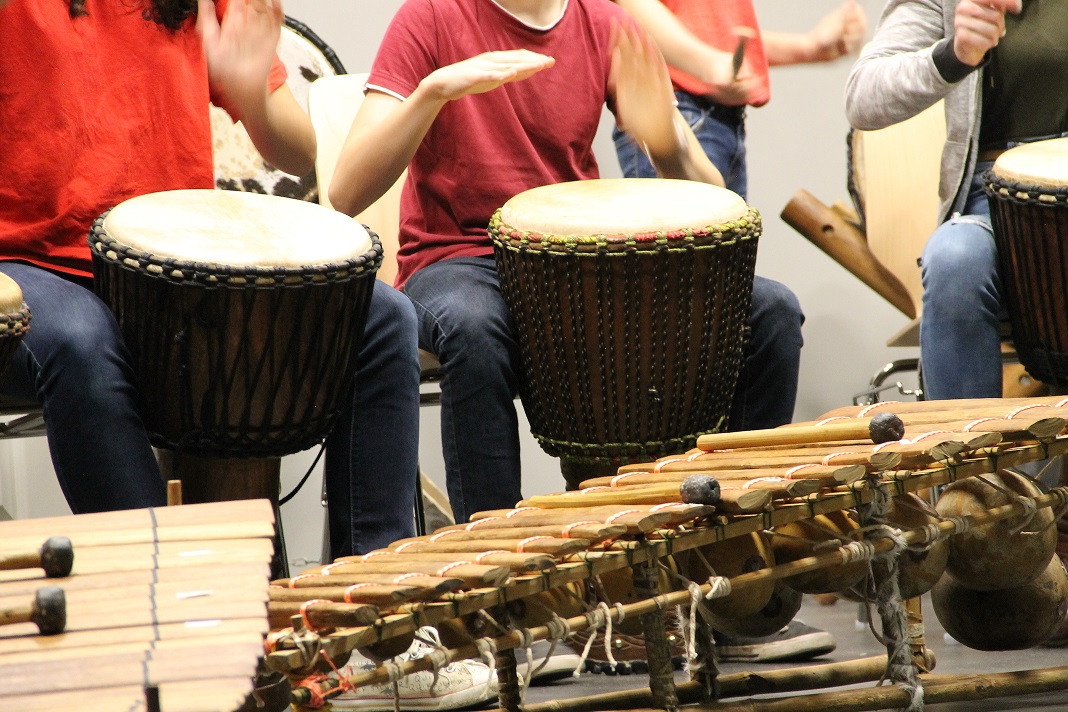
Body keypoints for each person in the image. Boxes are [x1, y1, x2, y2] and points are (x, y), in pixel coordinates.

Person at [0, 0, 418, 557]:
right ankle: (167, 581)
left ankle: (370, 583)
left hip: (175, 268)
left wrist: (250, 94)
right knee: (82, 342)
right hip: (30, 263)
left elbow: (299, 153)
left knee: (381, 319)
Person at [330, 0, 723, 526]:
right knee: (474, 329)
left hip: (573, 264)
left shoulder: (606, 24)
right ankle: (496, 549)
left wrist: (666, 142)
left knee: (767, 311)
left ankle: (733, 544)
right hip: (458, 257)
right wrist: (432, 93)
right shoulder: (430, 16)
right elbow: (347, 191)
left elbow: (717, 198)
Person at [612, 0, 866, 432]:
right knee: (684, 326)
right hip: (677, 109)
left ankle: (736, 468)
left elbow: (714, 32)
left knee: (730, 323)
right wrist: (706, 64)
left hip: (717, 119)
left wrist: (807, 47)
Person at [844, 0, 1049, 401]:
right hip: (994, 196)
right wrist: (955, 55)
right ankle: (967, 442)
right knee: (954, 259)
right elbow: (863, 95)